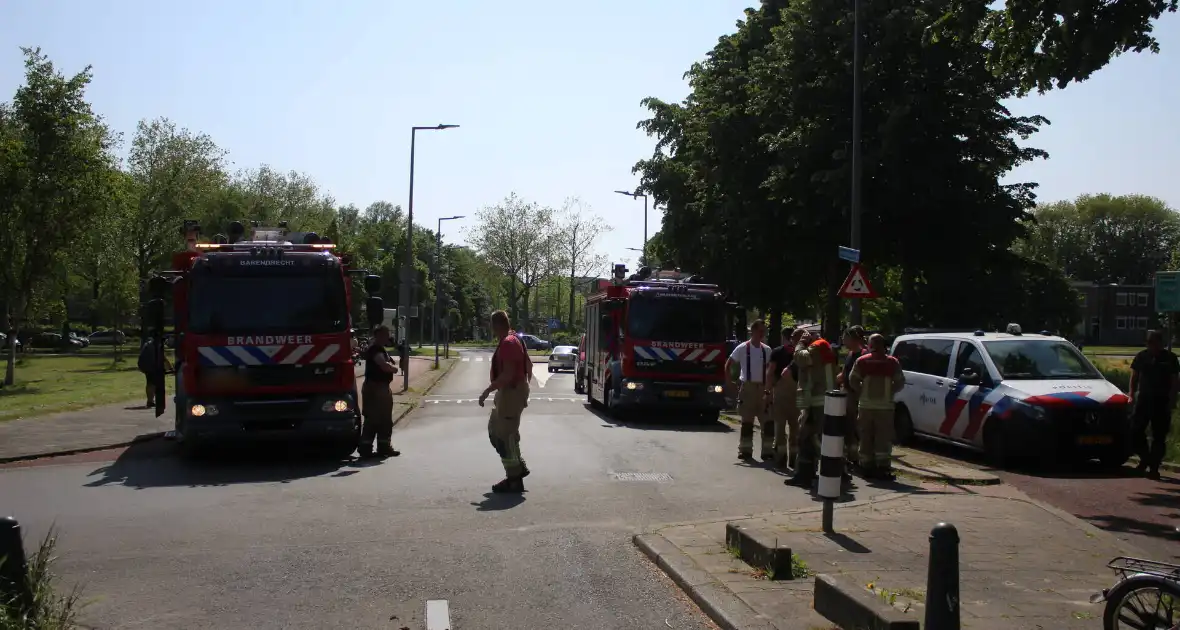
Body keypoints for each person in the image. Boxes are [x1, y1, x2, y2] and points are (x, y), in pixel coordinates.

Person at [479, 310, 533, 493]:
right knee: (496, 430)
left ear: (496, 325)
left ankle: (514, 479)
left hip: (510, 392)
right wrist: (524, 387)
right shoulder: (514, 339)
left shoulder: (509, 343)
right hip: (510, 392)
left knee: (503, 437)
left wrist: (488, 389)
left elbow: (508, 374)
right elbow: (529, 366)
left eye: (491, 325)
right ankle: (518, 468)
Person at [785, 331, 839, 487]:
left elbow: (800, 359)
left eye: (796, 341)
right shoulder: (823, 348)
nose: (795, 345)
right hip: (821, 400)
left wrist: (801, 344)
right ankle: (816, 473)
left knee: (808, 438)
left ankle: (806, 475)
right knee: (816, 439)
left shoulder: (817, 346)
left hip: (817, 401)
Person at [849, 334, 905, 479]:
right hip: (885, 407)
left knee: (865, 436)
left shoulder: (862, 361)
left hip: (866, 406)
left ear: (870, 345)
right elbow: (899, 382)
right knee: (883, 438)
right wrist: (889, 392)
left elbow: (853, 379)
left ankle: (866, 466)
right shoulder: (892, 362)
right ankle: (883, 468)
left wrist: (861, 392)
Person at [1128, 329, 1178, 480]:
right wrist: (1131, 394)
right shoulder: (1142, 356)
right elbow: (1134, 377)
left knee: (1159, 435)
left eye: (1155, 343)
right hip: (1143, 399)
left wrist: (1172, 400)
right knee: (1135, 431)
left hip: (1162, 401)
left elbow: (1175, 381)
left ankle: (1154, 468)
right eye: (1149, 343)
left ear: (1161, 343)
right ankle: (1145, 459)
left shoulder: (1170, 358)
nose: (1152, 346)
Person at [725, 320, 773, 460]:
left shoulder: (767, 350)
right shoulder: (742, 348)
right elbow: (728, 365)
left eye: (764, 331)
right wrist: (730, 382)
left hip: (763, 387)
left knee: (767, 421)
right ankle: (745, 450)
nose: (762, 334)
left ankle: (767, 451)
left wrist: (770, 390)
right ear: (753, 331)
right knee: (747, 421)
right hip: (748, 388)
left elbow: (771, 371)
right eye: (760, 331)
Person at [358, 325, 400, 459]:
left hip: (376, 387)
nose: (388, 337)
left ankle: (374, 447)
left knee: (377, 418)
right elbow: (383, 365)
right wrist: (394, 369)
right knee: (380, 418)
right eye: (386, 334)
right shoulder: (376, 349)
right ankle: (375, 448)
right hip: (377, 388)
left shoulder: (376, 348)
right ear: (379, 336)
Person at [767, 327, 805, 469]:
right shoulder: (801, 354)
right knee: (795, 428)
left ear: (784, 337)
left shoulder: (777, 352)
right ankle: (794, 459)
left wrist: (767, 392)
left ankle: (781, 457)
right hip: (797, 392)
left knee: (780, 427)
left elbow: (770, 373)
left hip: (781, 393)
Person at [837, 326, 868, 473]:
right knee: (848, 427)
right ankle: (851, 456)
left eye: (845, 337)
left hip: (856, 396)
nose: (843, 340)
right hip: (847, 393)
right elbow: (843, 374)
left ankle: (859, 458)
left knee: (856, 426)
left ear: (853, 338)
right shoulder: (850, 354)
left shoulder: (863, 355)